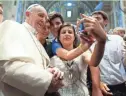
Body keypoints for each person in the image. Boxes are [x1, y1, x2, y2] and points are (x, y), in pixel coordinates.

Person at [0, 4, 64, 96]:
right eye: (41, 15)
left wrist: (52, 71)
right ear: (27, 14)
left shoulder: (38, 41)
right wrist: (47, 79)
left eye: (46, 18)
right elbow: (6, 67)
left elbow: (35, 66)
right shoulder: (13, 26)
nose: (43, 20)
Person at [50, 21, 106, 96]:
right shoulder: (52, 59)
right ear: (59, 38)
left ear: (74, 37)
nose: (66, 34)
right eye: (63, 32)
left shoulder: (84, 53)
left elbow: (94, 62)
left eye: (70, 32)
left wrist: (100, 42)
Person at [90, 11, 126, 96]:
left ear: (105, 21)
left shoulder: (117, 39)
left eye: (98, 18)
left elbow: (124, 62)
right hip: (101, 88)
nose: (94, 21)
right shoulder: (88, 43)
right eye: (92, 19)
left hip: (121, 86)